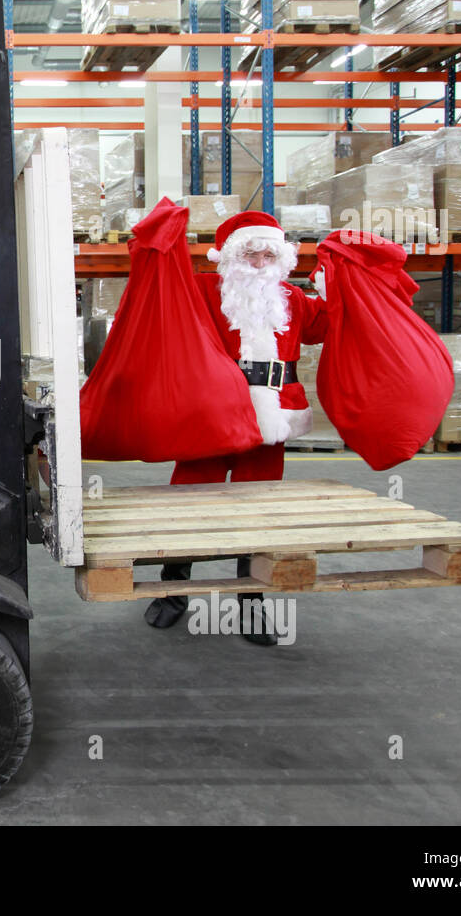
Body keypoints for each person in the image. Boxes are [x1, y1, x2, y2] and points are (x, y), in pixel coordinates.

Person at [144, 210, 328, 644]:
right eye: (251, 252)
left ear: (281, 256)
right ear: (228, 257)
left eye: (269, 252)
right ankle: (174, 590)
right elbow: (163, 294)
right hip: (211, 414)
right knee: (192, 496)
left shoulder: (293, 299)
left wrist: (347, 278)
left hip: (272, 420)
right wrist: (162, 245)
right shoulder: (205, 290)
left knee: (258, 504)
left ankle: (251, 600)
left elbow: (328, 325)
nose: (260, 261)